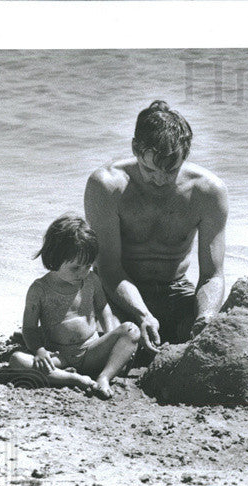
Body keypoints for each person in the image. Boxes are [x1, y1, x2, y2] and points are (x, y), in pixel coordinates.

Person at [84, 100, 229, 351]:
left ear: (186, 154)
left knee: (215, 340)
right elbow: (108, 268)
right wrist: (142, 315)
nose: (160, 180)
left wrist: (205, 317)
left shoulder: (208, 191)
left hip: (175, 291)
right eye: (149, 169)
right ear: (134, 148)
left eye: (171, 171)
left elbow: (212, 275)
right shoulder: (106, 185)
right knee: (101, 340)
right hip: (118, 293)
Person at [9, 214, 140, 399]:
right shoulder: (39, 290)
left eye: (87, 266)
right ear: (54, 258)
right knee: (16, 360)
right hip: (59, 355)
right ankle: (73, 378)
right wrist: (39, 351)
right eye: (75, 268)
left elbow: (103, 309)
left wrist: (110, 338)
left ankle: (104, 377)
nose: (83, 272)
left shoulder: (92, 280)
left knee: (132, 331)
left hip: (92, 349)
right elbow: (29, 329)